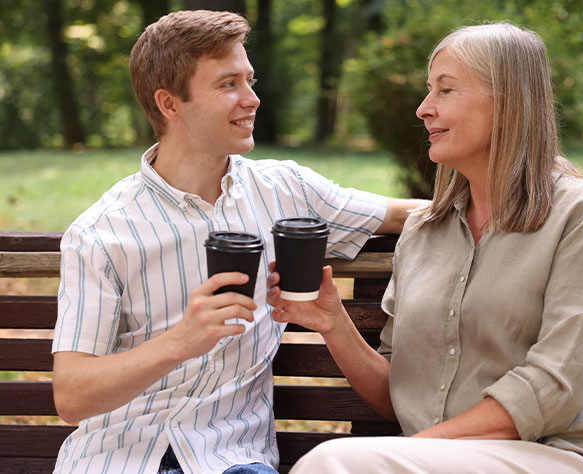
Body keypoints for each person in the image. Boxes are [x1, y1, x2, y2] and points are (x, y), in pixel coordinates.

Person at [51, 10, 422, 474]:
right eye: (228, 85)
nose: (252, 99)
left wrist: (532, 189)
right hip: (118, 459)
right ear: (169, 103)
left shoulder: (287, 190)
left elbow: (407, 214)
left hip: (232, 461)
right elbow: (71, 396)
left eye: (250, 80)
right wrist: (180, 342)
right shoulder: (102, 232)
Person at [266, 22, 583, 474]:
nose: (424, 109)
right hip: (443, 460)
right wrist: (333, 323)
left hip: (562, 457)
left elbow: (552, 388)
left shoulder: (579, 214)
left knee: (332, 462)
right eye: (430, 92)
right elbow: (400, 396)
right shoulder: (426, 230)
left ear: (507, 103)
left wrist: (415, 451)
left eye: (445, 91)